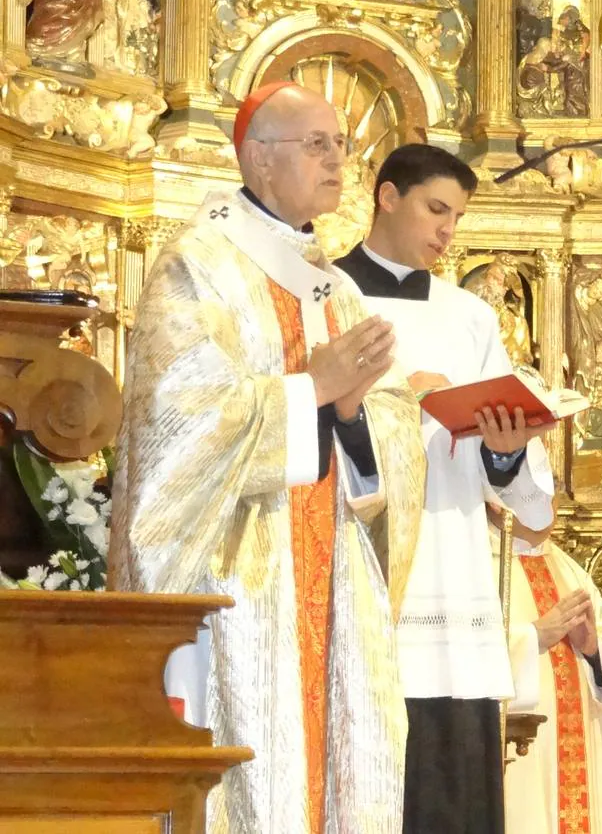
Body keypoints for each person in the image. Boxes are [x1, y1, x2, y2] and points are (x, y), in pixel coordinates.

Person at [111, 81, 426, 832]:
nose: (336, 161)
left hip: (334, 576)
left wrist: (351, 413)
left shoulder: (335, 288)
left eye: (341, 145)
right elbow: (174, 421)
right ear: (258, 158)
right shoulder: (198, 265)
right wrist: (309, 390)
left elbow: (387, 427)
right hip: (242, 574)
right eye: (315, 145)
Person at [332, 143, 562, 834]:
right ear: (387, 196)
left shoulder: (470, 316)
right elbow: (310, 427)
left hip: (454, 563)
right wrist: (401, 401)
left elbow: (514, 478)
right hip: (363, 564)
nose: (446, 232)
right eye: (436, 209)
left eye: (456, 217)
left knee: (456, 780)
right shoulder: (325, 298)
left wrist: (504, 449)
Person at [503, 511, 602, 834]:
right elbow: (463, 648)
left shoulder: (568, 569)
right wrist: (533, 635)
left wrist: (593, 649)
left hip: (579, 752)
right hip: (520, 757)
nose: (547, 505)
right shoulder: (481, 560)